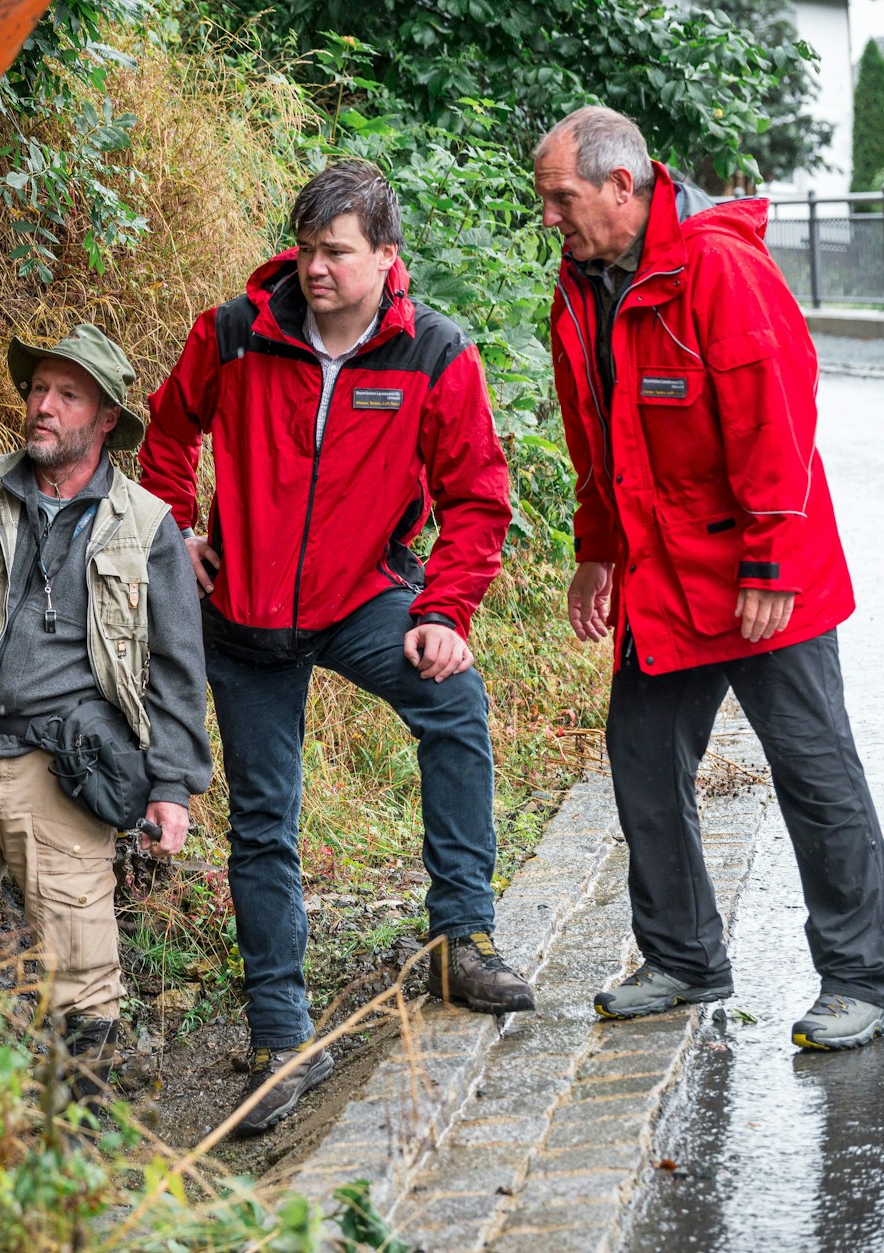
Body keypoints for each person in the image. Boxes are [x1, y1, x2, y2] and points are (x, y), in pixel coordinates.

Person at [140, 160, 535, 1135]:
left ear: (385, 256)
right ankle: (283, 1039)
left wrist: (444, 610)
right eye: (306, 249)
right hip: (243, 611)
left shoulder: (433, 351)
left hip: (363, 594)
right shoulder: (235, 334)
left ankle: (458, 938)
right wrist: (173, 531)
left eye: (337, 252)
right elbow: (167, 430)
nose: (315, 269)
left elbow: (477, 497)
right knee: (261, 820)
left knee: (453, 699)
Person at [535, 106, 884, 1051]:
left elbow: (777, 414)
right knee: (642, 756)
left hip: (761, 575)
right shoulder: (581, 288)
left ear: (622, 185)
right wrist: (596, 550)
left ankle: (862, 979)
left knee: (813, 770)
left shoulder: (719, 267)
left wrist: (771, 559)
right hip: (663, 574)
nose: (549, 217)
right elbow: (596, 439)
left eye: (561, 197)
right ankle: (685, 957)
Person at [0, 323, 211, 1083]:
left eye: (67, 395)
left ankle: (74, 1134)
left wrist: (172, 785)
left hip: (61, 773)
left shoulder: (146, 526)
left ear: (106, 418)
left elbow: (178, 669)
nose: (42, 406)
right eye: (38, 389)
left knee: (81, 975)